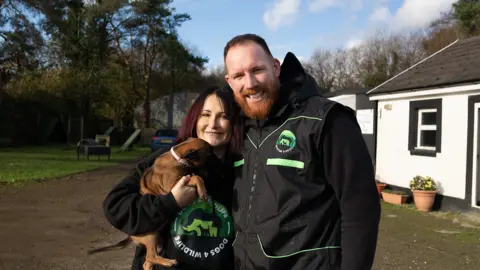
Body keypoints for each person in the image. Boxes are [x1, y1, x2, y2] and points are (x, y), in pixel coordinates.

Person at [223, 33, 381, 270]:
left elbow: (360, 207)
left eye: (257, 70)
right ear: (229, 82)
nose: (250, 83)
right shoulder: (236, 130)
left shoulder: (325, 120)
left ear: (276, 67)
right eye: (238, 76)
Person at [102, 86, 242, 270]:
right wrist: (169, 203)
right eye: (205, 114)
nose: (213, 124)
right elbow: (115, 206)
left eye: (223, 117)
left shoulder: (242, 169)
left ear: (235, 123)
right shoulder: (165, 160)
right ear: (194, 118)